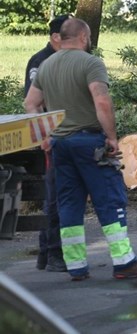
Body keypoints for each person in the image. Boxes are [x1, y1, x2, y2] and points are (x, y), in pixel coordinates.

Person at [24, 18, 137, 281]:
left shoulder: (47, 65)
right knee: (110, 199)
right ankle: (123, 261)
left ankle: (75, 265)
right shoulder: (89, 62)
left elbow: (30, 103)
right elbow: (102, 102)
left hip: (60, 146)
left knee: (69, 204)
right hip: (89, 142)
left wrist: (46, 137)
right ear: (83, 37)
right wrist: (112, 137)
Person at [24, 14, 70, 273]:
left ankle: (46, 253)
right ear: (55, 38)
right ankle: (52, 252)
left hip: (62, 135)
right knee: (54, 198)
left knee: (57, 195)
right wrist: (45, 136)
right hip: (50, 137)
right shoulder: (41, 61)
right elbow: (34, 103)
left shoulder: (60, 59)